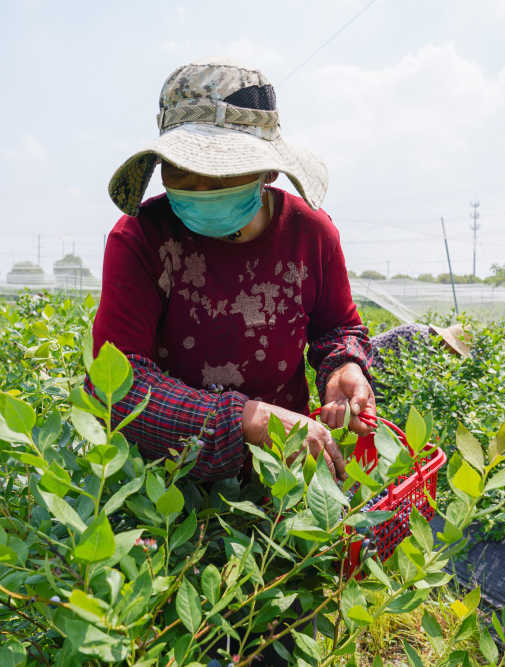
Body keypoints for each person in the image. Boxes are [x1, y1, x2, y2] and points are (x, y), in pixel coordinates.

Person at [91, 59, 377, 483]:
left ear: (269, 171)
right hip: (165, 475)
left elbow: (337, 329)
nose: (198, 186)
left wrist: (344, 368)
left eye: (221, 171)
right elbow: (117, 386)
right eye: (180, 169)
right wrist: (250, 420)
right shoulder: (143, 239)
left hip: (286, 468)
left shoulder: (310, 235)